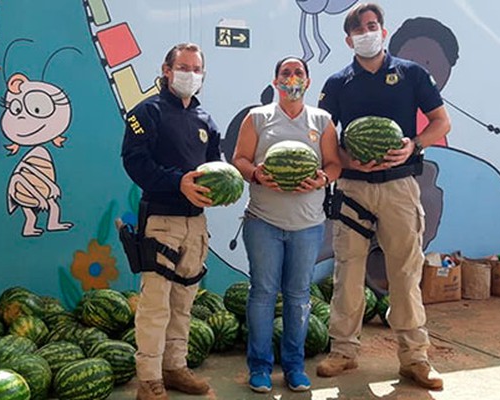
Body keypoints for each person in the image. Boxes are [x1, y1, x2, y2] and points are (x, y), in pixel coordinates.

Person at [315, 3, 451, 391]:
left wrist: (414, 146)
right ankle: (343, 351)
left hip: (399, 187)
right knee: (348, 273)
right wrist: (344, 157)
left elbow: (441, 121)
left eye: (372, 26)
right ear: (348, 39)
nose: (367, 32)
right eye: (359, 29)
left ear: (384, 31)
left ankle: (415, 358)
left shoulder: (411, 73)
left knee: (405, 274)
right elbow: (325, 137)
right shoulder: (338, 82)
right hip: (353, 188)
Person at [232, 56, 341, 393]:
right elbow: (239, 160)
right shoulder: (258, 117)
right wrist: (256, 174)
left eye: (298, 73)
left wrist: (323, 178)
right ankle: (260, 367)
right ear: (276, 80)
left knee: (298, 296)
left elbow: (335, 164)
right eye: (285, 73)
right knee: (263, 294)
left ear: (307, 82)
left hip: (308, 225)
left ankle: (294, 366)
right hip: (263, 221)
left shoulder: (321, 120)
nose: (292, 78)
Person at [121, 43, 221, 400]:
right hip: (161, 219)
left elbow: (214, 167)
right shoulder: (146, 112)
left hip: (196, 224)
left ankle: (174, 367)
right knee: (155, 304)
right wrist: (176, 181)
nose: (190, 74)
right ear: (166, 70)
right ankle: (149, 380)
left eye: (197, 68)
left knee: (183, 302)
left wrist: (221, 189)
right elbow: (134, 161)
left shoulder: (205, 120)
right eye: (183, 67)